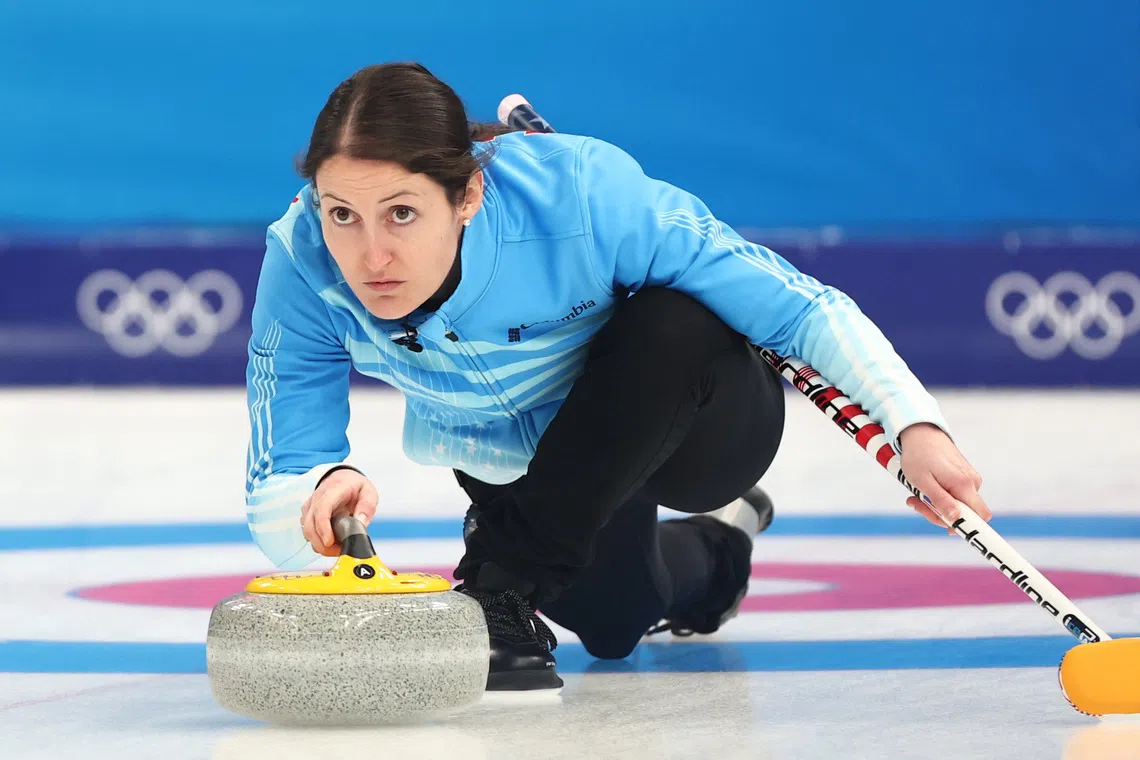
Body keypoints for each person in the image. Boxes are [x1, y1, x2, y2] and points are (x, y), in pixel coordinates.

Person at [243, 62, 992, 691]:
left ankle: (502, 580)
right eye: (342, 214)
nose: (371, 256)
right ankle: (720, 548)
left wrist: (914, 424)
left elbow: (797, 306)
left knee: (674, 317)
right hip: (536, 458)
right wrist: (318, 493)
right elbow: (280, 472)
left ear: (466, 195)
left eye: (402, 213)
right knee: (612, 623)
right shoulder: (303, 261)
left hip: (696, 418)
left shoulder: (583, 194)